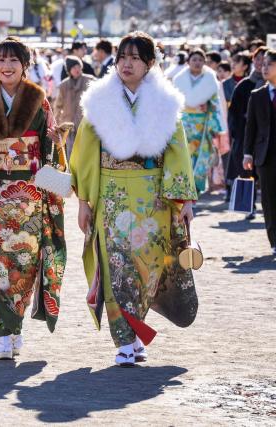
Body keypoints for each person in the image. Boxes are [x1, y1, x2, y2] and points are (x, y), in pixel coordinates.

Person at [71, 31, 198, 367]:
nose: (126, 63)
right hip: (112, 197)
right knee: (117, 271)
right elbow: (85, 155)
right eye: (122, 57)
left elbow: (177, 153)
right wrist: (84, 200)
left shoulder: (165, 103)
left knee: (147, 271)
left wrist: (183, 200)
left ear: (149, 64)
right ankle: (125, 341)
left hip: (152, 200)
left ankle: (137, 329)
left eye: (135, 57)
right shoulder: (99, 102)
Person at [0, 37, 66, 360]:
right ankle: (1, 334)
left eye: (14, 61)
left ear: (25, 65)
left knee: (23, 264)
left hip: (29, 196)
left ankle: (14, 327)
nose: (7, 67)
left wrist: (54, 141)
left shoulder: (39, 101)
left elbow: (49, 151)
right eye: (1, 60)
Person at [173, 49, 225, 194]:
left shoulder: (210, 79)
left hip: (203, 124)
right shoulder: (179, 79)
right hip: (184, 122)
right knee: (184, 155)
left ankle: (196, 189)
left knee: (200, 156)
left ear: (204, 62)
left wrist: (212, 116)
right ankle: (184, 188)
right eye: (194, 59)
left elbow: (215, 102)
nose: (197, 63)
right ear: (188, 62)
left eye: (200, 60)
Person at [243, 49, 276, 256]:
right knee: (269, 199)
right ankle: (274, 241)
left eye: (269, 65)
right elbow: (250, 127)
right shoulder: (257, 95)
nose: (264, 68)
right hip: (266, 156)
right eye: (262, 65)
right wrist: (247, 153)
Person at [227, 47, 266, 214]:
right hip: (246, 136)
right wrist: (236, 134)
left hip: (267, 137)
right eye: (257, 59)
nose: (260, 63)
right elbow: (234, 113)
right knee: (247, 171)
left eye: (265, 60)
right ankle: (249, 205)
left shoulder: (271, 86)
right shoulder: (244, 86)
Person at [53, 55, 95, 157]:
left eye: (78, 66)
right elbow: (58, 106)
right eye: (73, 67)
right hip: (68, 124)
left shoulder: (90, 81)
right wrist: (57, 123)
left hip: (85, 124)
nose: (76, 69)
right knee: (70, 153)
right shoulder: (64, 85)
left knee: (85, 153)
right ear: (69, 70)